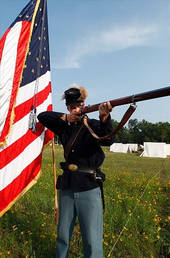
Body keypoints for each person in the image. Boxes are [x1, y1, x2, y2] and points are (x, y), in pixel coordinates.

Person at [38, 85, 114, 258]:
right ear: (68, 108)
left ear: (84, 104)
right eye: (72, 107)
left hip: (88, 185)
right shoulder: (64, 126)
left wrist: (104, 116)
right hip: (67, 185)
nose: (76, 109)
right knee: (63, 236)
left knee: (91, 239)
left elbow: (108, 140)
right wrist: (66, 118)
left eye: (78, 106)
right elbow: (43, 117)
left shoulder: (93, 124)